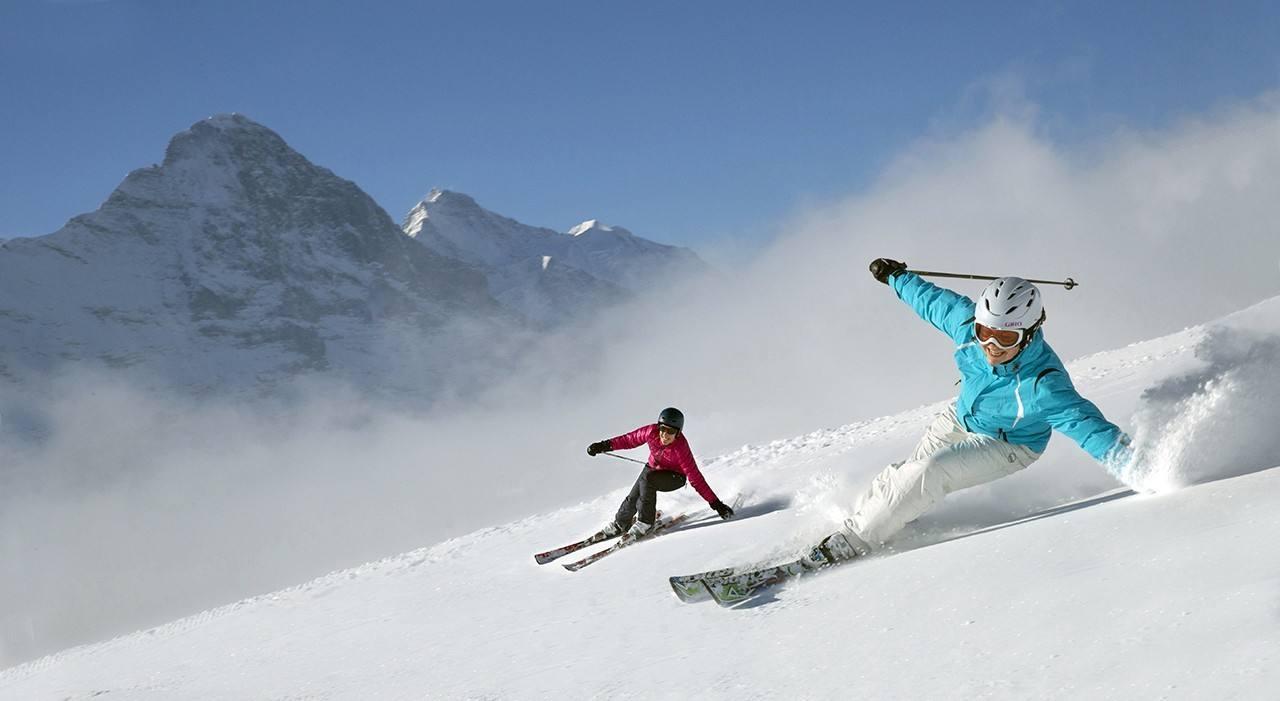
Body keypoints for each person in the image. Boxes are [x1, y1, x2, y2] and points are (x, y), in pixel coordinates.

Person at [805, 259, 1134, 566]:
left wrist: (1144, 468)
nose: (991, 344)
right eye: (985, 332)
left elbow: (1091, 431)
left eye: (1005, 337)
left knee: (929, 472)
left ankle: (852, 542)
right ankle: (880, 521)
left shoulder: (1043, 386)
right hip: (960, 417)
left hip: (1007, 444)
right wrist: (896, 277)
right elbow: (931, 302)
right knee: (911, 474)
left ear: (1030, 333)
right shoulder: (968, 328)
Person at [587, 407, 735, 539]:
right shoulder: (651, 432)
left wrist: (716, 504)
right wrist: (603, 446)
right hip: (652, 469)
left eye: (671, 431)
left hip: (675, 477)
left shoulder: (680, 448)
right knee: (634, 495)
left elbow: (696, 478)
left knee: (647, 479)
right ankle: (621, 523)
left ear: (678, 433)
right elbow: (628, 440)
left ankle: (646, 522)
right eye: (663, 429)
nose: (665, 435)